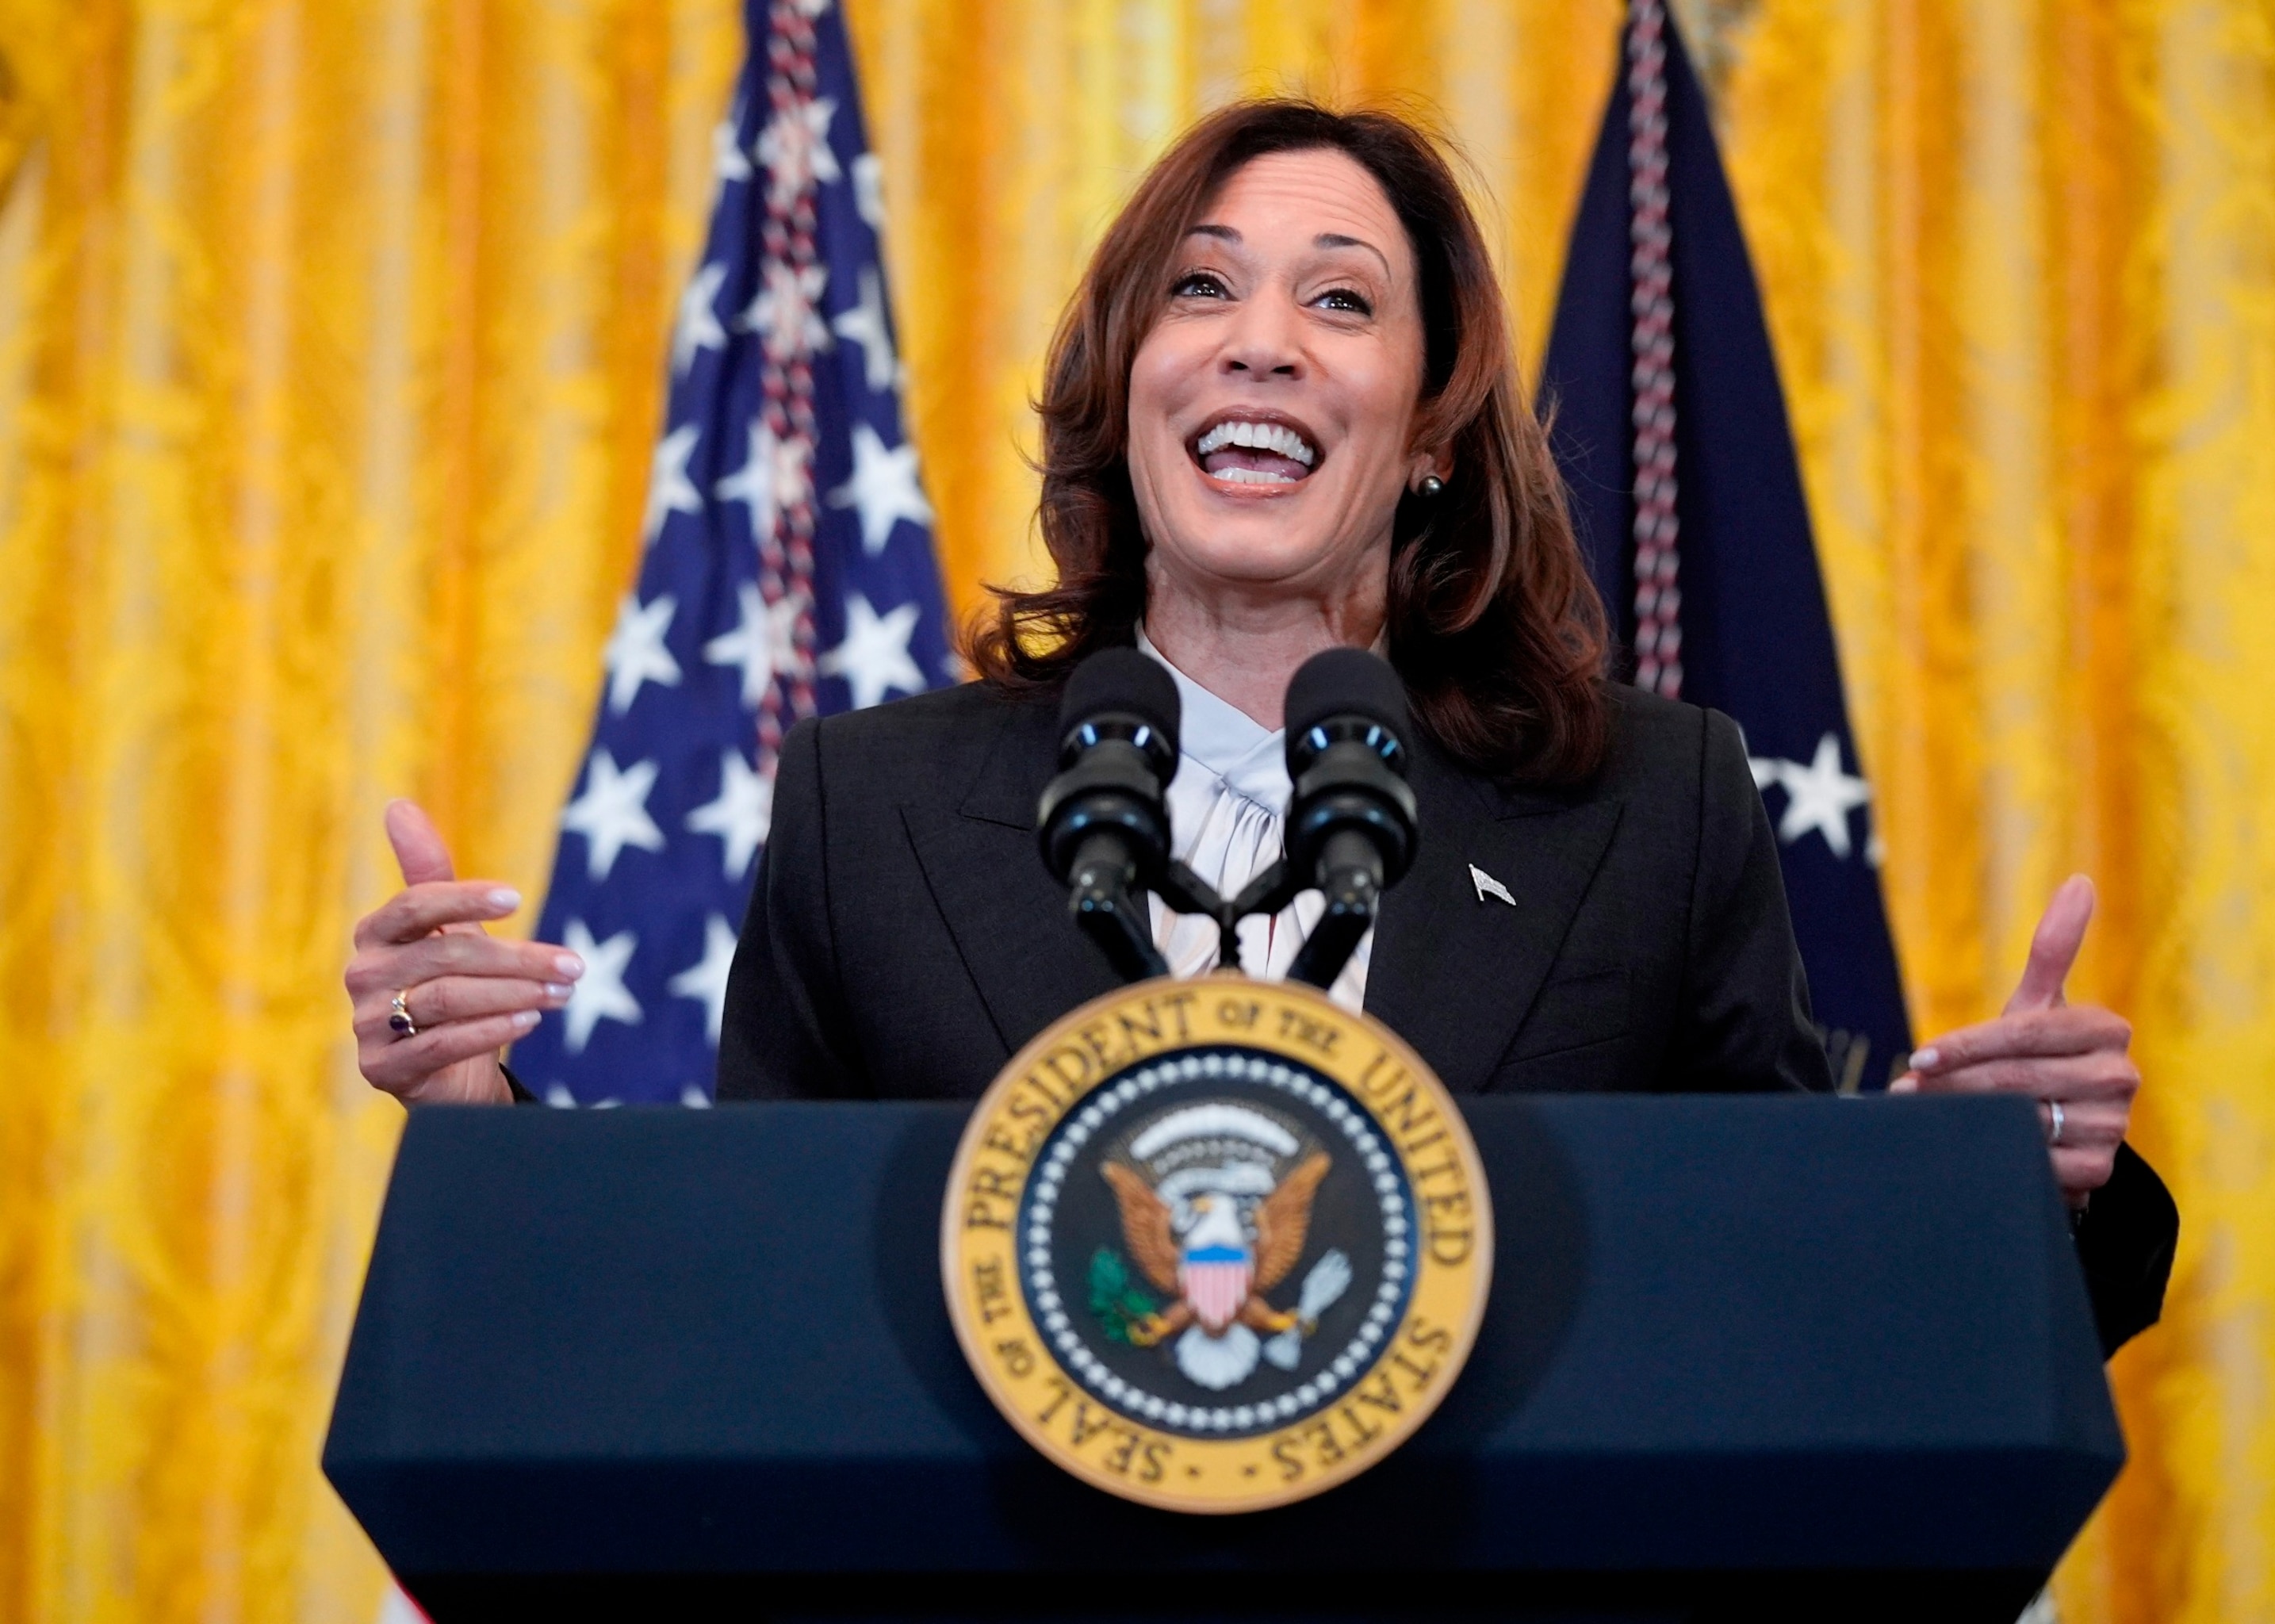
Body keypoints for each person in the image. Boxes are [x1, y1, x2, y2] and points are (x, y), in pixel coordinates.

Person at [342, 101, 2174, 1351]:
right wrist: (478, 1118)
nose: (1261, 341)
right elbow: (749, 1305)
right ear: (1125, 384)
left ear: (1436, 425)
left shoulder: (1651, 802)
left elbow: (1793, 1297)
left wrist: (2016, 1186)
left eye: (1343, 301)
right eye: (1202, 287)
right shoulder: (871, 807)